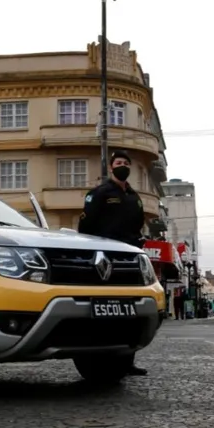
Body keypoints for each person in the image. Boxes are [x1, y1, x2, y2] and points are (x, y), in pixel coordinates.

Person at [78, 149, 148, 376]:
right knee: (105, 310)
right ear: (111, 167)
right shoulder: (99, 193)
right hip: (105, 258)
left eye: (126, 163)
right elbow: (85, 227)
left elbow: (138, 224)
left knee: (130, 311)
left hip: (129, 256)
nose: (123, 166)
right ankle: (95, 360)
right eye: (119, 162)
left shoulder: (134, 197)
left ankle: (127, 361)